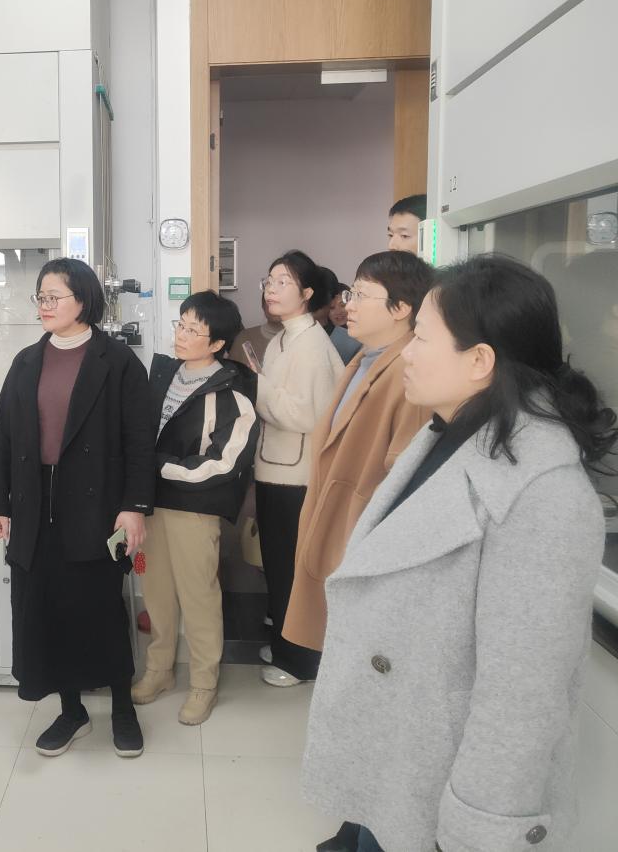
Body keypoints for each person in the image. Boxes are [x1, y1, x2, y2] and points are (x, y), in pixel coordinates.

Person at [301, 255, 618, 852]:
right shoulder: (449, 433)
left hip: (448, 789)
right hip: (403, 756)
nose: (408, 353)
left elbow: (522, 696)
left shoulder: (544, 492)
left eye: (422, 337)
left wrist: (478, 828)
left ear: (479, 360)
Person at [0, 258, 155, 759]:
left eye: (53, 296)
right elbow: (4, 437)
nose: (45, 305)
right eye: (40, 296)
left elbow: (140, 442)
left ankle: (122, 707)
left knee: (99, 609)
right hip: (35, 506)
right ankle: (72, 710)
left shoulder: (117, 361)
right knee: (46, 610)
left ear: (84, 299)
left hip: (96, 507)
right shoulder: (26, 361)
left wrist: (134, 507)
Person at [277, 251, 434, 698]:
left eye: (362, 295)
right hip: (338, 523)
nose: (349, 305)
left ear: (401, 308)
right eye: (351, 294)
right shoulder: (366, 358)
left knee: (363, 669)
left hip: (362, 538)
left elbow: (405, 483)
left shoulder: (408, 372)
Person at [132, 291, 258, 725]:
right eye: (181, 324)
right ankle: (159, 670)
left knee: (199, 596)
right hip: (150, 504)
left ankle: (204, 683)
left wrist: (160, 466)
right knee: (156, 592)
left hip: (194, 507)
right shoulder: (163, 372)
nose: (182, 335)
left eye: (193, 330)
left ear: (217, 343)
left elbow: (226, 462)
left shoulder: (233, 390)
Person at [253, 250, 345, 687]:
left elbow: (307, 415)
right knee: (278, 567)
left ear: (307, 293)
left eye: (283, 282)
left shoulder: (311, 344)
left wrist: (257, 387)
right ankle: (287, 647)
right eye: (269, 281)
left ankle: (301, 661)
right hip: (275, 469)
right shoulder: (283, 339)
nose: (271, 289)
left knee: (294, 572)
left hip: (297, 477)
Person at [230, 292, 281, 371]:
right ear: (263, 306)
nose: (275, 307)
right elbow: (232, 373)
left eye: (279, 302)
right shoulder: (244, 337)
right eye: (270, 302)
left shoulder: (300, 338)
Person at [322, 279, 361, 366]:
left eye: (342, 305)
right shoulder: (322, 338)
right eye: (332, 308)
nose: (338, 311)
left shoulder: (363, 335)